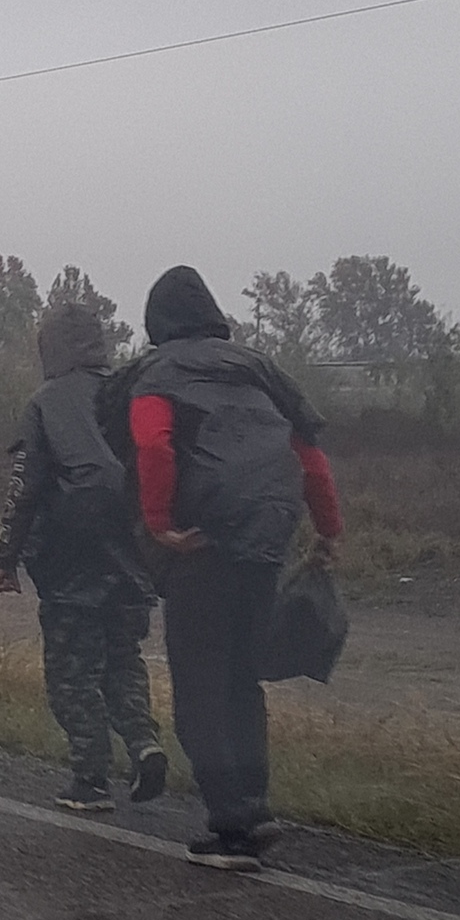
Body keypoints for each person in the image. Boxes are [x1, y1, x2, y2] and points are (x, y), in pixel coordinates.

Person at [117, 266, 343, 872]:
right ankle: (255, 805)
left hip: (201, 543)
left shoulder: (157, 373)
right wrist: (327, 530)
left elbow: (153, 444)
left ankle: (233, 826)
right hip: (265, 538)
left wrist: (160, 523)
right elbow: (312, 460)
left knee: (199, 685)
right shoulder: (259, 369)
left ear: (156, 321)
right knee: (242, 678)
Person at [0, 303, 166, 812]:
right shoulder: (130, 393)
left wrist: (6, 556)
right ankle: (143, 742)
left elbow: (25, 487)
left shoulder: (45, 402)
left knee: (72, 672)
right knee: (123, 660)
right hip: (133, 554)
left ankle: (90, 780)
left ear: (51, 348)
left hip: (70, 559)